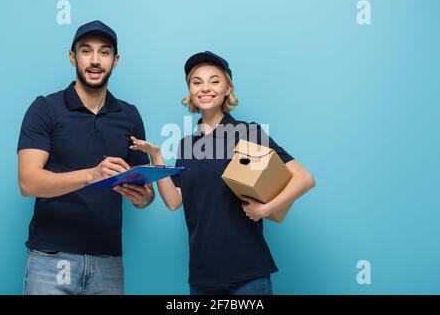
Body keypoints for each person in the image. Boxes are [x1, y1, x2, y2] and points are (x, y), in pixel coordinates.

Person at [130, 51, 315, 295]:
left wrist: (264, 210)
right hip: (202, 276)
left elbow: (304, 178)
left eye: (214, 81)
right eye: (197, 82)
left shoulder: (247, 133)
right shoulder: (187, 144)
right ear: (191, 92)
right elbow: (174, 201)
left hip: (247, 273)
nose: (205, 88)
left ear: (228, 88)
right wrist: (157, 158)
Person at [17, 20, 154, 295]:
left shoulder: (129, 116)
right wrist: (91, 175)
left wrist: (144, 197)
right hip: (50, 258)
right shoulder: (45, 108)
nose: (94, 60)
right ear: (72, 57)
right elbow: (28, 182)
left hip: (108, 260)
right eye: (86, 51)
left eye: (104, 52)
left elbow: (145, 189)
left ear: (115, 61)